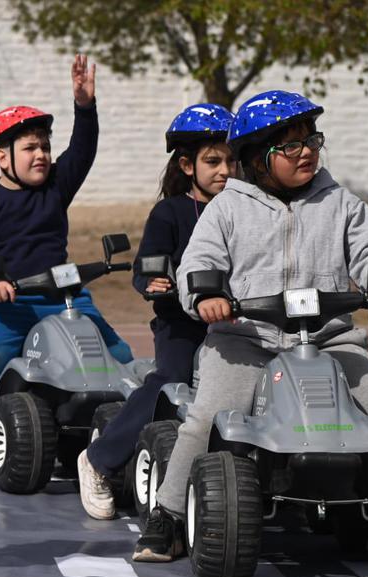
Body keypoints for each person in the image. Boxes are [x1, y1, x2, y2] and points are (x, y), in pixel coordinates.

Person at [132, 90, 368, 562]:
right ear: (257, 159)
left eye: (312, 141)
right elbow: (199, 261)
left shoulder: (341, 203)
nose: (307, 152)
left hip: (329, 340)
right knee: (206, 418)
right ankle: (169, 515)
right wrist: (207, 295)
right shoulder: (227, 207)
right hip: (246, 341)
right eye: (291, 145)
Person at [0, 54, 133, 484]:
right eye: (30, 148)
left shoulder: (55, 187)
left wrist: (84, 107)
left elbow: (83, 151)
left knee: (121, 357)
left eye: (45, 147)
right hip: (9, 304)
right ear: (2, 157)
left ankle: (120, 442)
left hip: (65, 298)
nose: (42, 155)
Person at [77, 104, 236, 519]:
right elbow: (147, 264)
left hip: (239, 323)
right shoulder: (171, 212)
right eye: (213, 161)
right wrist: (153, 283)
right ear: (187, 165)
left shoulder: (245, 209)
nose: (225, 171)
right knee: (172, 379)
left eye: (231, 161)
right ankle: (98, 459)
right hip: (182, 323)